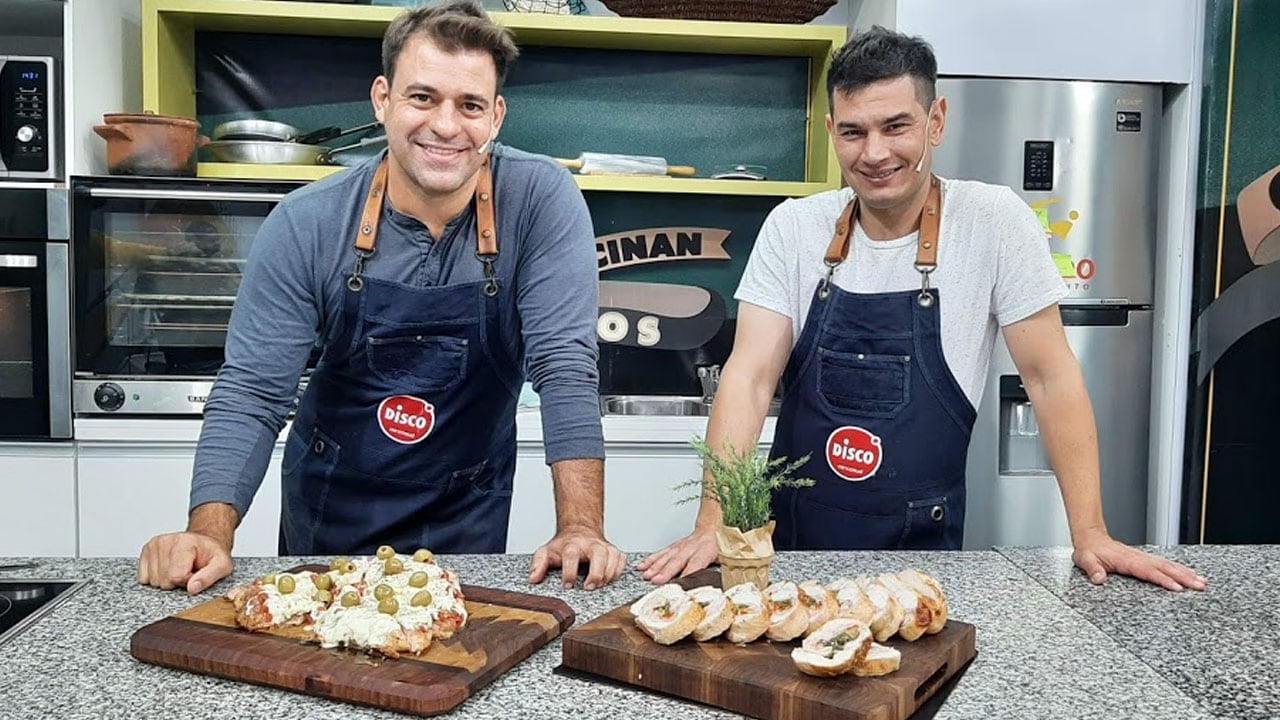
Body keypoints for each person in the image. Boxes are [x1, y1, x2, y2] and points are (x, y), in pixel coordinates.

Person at [639, 27, 1207, 592]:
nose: (875, 153)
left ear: (936, 120)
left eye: (896, 126)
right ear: (833, 131)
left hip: (922, 565)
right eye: (854, 132)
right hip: (793, 559)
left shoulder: (993, 221)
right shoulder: (794, 226)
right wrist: (711, 523)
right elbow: (749, 377)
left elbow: (1050, 377)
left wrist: (1092, 533)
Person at [138, 1, 625, 595]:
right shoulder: (307, 222)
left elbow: (565, 366)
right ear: (382, 100)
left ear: (496, 116)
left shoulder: (542, 201)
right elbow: (252, 392)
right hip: (332, 508)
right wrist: (209, 533)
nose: (446, 126)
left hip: (466, 510)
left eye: (469, 105)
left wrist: (580, 528)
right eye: (422, 97)